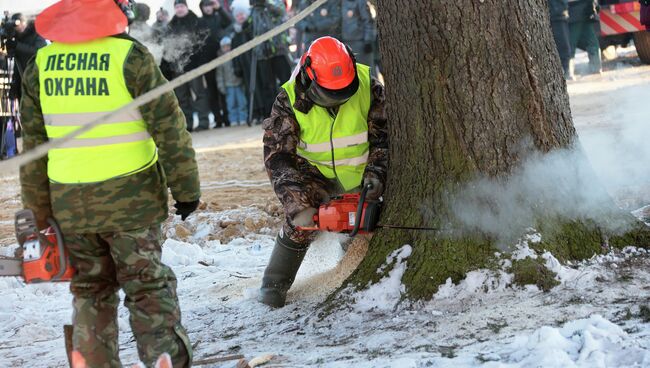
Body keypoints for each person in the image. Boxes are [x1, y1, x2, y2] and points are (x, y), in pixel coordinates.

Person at [21, 0, 200, 366]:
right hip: (133, 203)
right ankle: (164, 359)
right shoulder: (130, 57)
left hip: (71, 207)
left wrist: (39, 214)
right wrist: (186, 190)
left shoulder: (40, 64)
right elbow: (170, 129)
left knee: (90, 290)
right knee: (148, 286)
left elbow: (34, 149)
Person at [258, 36, 388, 308]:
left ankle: (348, 270)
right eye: (330, 94)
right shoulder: (289, 100)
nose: (337, 100)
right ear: (309, 76)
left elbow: (384, 138)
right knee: (299, 225)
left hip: (362, 176)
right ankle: (273, 285)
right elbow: (278, 157)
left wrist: (377, 172)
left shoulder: (368, 87)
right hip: (314, 177)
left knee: (363, 223)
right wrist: (298, 203)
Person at [163, 0, 212, 131]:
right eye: (177, 7)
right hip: (177, 69)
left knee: (199, 95)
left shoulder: (197, 22)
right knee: (182, 98)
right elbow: (166, 48)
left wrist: (201, 64)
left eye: (181, 6)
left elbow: (205, 43)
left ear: (186, 7)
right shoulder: (171, 26)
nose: (179, 9)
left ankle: (203, 122)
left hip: (194, 66)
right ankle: (187, 124)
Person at [200, 0, 233, 128]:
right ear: (202, 8)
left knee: (223, 90)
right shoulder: (200, 22)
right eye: (205, 6)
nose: (208, 8)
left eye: (209, 5)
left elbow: (230, 21)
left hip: (222, 59)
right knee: (212, 91)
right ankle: (218, 119)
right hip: (207, 62)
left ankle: (227, 117)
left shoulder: (219, 17)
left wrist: (219, 8)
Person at [6, 13, 47, 100]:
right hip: (22, 78)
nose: (17, 27)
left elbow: (39, 51)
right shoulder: (16, 37)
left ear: (25, 22)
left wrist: (17, 46)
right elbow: (16, 64)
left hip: (35, 77)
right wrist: (14, 85)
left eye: (19, 23)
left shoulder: (36, 33)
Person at [216, 36, 248, 125]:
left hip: (238, 83)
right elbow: (219, 75)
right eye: (224, 47)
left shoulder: (236, 56)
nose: (226, 48)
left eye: (228, 46)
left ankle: (243, 118)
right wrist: (221, 86)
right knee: (231, 105)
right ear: (221, 48)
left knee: (242, 102)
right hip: (228, 85)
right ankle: (233, 120)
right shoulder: (221, 60)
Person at [568, 0, 602, 75]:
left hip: (575, 13)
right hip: (582, 12)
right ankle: (596, 68)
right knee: (592, 42)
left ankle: (568, 72)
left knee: (571, 44)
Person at [340, 0, 375, 71]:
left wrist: (368, 40)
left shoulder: (361, 2)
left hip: (360, 43)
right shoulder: (340, 2)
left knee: (367, 72)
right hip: (345, 44)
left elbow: (368, 21)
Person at [547, 0, 572, 79]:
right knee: (562, 45)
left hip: (557, 16)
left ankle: (565, 70)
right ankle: (564, 70)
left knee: (563, 45)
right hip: (555, 15)